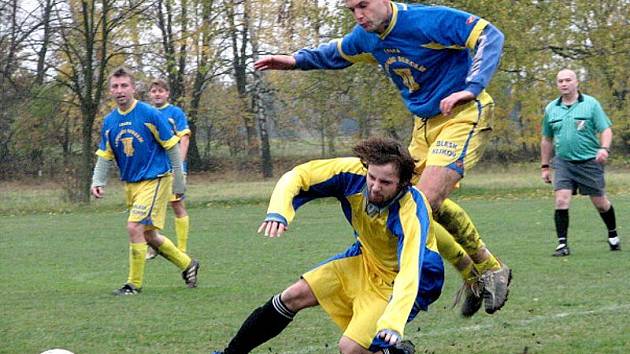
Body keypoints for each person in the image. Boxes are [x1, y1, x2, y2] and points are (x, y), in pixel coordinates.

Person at [254, 0, 510, 316]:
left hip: (463, 113)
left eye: (363, 5)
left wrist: (471, 87)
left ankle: (480, 271)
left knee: (420, 205)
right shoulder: (367, 35)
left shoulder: (425, 21)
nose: (359, 15)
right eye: (351, 10)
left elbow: (489, 34)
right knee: (409, 202)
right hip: (424, 126)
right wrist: (294, 61)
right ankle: (477, 273)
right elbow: (335, 53)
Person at [212, 137, 444, 354]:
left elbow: (410, 269)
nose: (374, 186)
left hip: (404, 279)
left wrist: (393, 322)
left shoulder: (411, 210)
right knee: (293, 296)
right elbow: (299, 176)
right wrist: (278, 211)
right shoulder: (350, 174)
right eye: (372, 177)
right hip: (366, 259)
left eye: (385, 182)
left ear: (403, 183)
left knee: (350, 348)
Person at [90, 67, 200, 295]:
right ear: (110, 90)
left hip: (156, 178)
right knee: (148, 235)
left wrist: (179, 182)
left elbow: (171, 147)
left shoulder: (149, 114)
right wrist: (97, 180)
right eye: (115, 86)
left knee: (134, 227)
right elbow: (105, 154)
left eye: (124, 86)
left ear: (133, 88)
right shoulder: (110, 122)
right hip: (131, 184)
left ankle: (133, 284)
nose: (119, 90)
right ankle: (187, 264)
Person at [540, 69, 621, 256]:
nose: (564, 84)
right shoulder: (551, 108)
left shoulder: (591, 104)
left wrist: (604, 148)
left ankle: (613, 234)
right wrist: (545, 166)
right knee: (561, 200)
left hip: (589, 162)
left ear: (577, 83)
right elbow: (547, 139)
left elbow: (606, 130)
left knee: (601, 203)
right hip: (563, 162)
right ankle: (562, 245)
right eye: (560, 80)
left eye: (568, 80)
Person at [145, 79, 192, 260]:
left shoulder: (175, 113)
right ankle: (154, 245)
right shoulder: (147, 113)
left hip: (173, 168)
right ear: (150, 94)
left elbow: (184, 138)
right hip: (154, 168)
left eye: (161, 91)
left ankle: (181, 248)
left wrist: (179, 165)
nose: (157, 94)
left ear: (167, 93)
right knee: (152, 207)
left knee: (177, 204)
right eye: (154, 91)